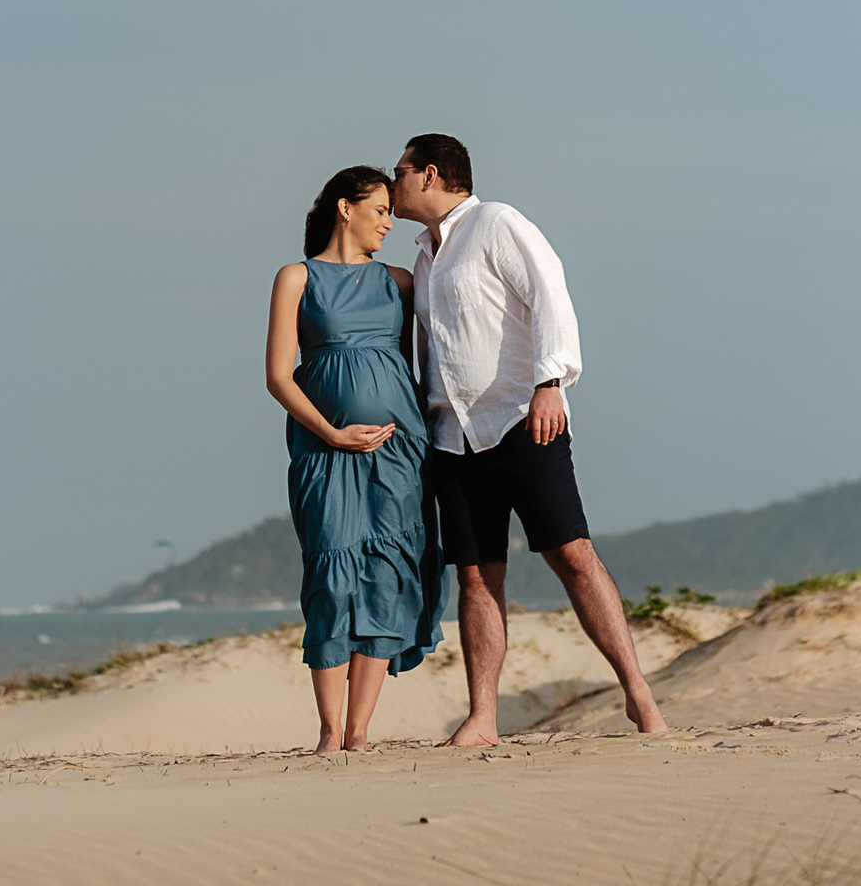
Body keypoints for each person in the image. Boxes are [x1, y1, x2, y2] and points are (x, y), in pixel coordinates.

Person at [392, 133, 669, 745]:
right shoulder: (424, 257)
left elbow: (550, 294)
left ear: (430, 174)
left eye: (400, 171)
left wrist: (551, 381)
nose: (393, 184)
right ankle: (482, 718)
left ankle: (638, 692)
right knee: (475, 577)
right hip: (452, 436)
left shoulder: (496, 222)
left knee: (572, 554)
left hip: (522, 420)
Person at [265, 165, 445, 753]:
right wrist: (331, 432)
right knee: (330, 574)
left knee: (386, 575)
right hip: (323, 448)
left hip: (398, 449)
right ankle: (327, 732)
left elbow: (417, 364)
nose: (389, 223)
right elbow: (278, 376)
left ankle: (359, 733)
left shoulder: (400, 281)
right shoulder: (297, 278)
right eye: (381, 211)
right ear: (346, 208)